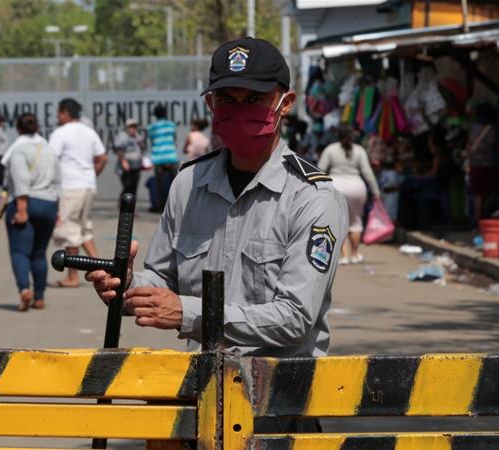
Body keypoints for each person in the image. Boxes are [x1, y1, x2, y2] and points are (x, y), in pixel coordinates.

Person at [86, 39, 348, 434]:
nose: (239, 110)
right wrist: (126, 283)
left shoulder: (313, 198)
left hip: (277, 413)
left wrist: (187, 313)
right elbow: (162, 280)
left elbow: (294, 319)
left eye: (254, 99)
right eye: (227, 98)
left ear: (286, 102)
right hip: (201, 403)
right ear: (211, 105)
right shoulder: (188, 183)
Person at [4, 113, 61, 311]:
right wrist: (57, 209)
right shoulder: (48, 149)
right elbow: (58, 179)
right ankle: (39, 297)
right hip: (49, 204)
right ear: (37, 128)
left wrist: (21, 210)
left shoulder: (18, 150)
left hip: (27, 203)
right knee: (39, 253)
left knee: (20, 252)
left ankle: (24, 291)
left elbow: (20, 180)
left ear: (18, 129)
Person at [49, 98, 107, 288]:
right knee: (84, 229)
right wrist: (92, 174)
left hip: (71, 187)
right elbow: (102, 157)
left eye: (59, 112)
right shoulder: (89, 132)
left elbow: (51, 162)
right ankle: (103, 269)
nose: (57, 116)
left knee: (70, 231)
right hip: (88, 186)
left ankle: (72, 277)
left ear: (65, 112)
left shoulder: (60, 133)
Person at [318, 124, 380, 265]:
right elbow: (367, 173)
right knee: (356, 222)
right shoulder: (359, 151)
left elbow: (320, 169)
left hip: (335, 186)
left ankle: (343, 255)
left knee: (338, 222)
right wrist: (376, 191)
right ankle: (355, 254)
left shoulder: (330, 149)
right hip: (357, 188)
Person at [465, 102, 499, 228]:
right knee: (491, 194)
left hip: (476, 165)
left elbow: (469, 145)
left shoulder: (474, 127)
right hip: (491, 164)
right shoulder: (494, 127)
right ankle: (491, 221)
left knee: (478, 196)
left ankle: (479, 224)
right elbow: (497, 145)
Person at [148, 104, 179, 212]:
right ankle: (176, 207)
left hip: (158, 157)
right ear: (165, 113)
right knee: (175, 184)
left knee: (160, 186)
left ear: (155, 115)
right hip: (171, 157)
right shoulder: (171, 125)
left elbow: (152, 142)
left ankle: (161, 208)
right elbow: (174, 139)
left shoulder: (151, 127)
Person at [114, 118, 145, 197]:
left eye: (135, 127)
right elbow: (118, 149)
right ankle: (123, 204)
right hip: (126, 166)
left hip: (136, 165)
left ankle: (132, 205)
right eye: (131, 127)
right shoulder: (122, 136)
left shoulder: (137, 136)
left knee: (134, 187)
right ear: (127, 127)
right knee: (127, 186)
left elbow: (142, 147)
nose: (133, 129)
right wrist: (123, 161)